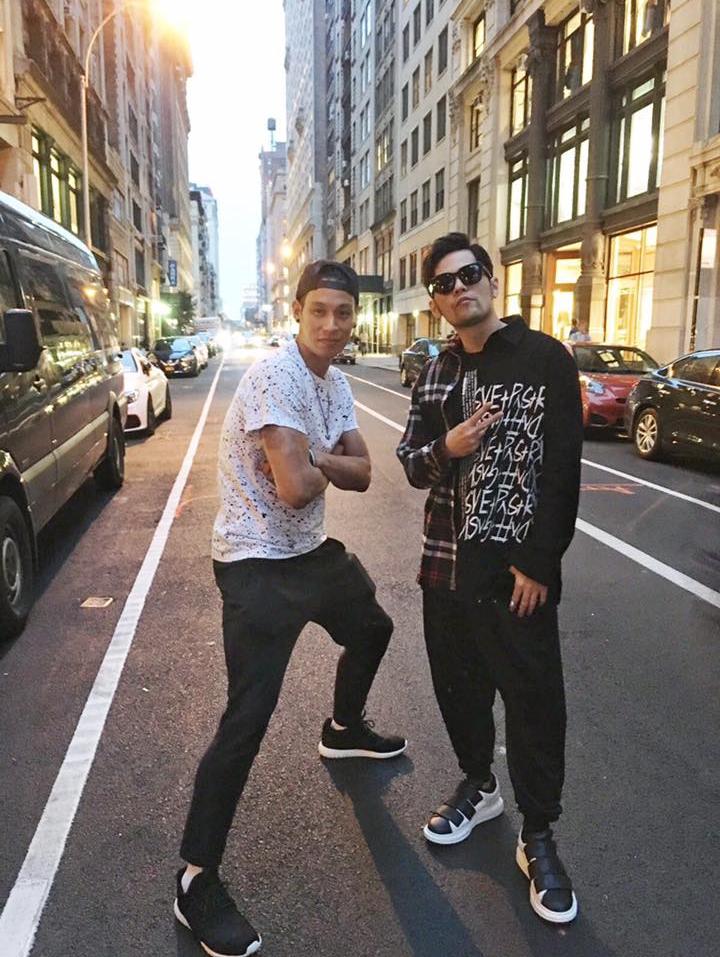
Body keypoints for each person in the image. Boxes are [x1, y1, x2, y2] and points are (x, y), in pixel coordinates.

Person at [175, 260, 407, 957]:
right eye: (319, 312)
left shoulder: (335, 383)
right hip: (255, 564)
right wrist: (324, 461)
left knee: (373, 627)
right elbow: (295, 487)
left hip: (309, 554)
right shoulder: (277, 377)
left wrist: (320, 458)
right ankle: (194, 880)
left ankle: (343, 728)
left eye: (344, 312)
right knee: (247, 720)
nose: (332, 325)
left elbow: (362, 473)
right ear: (297, 312)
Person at [396, 233, 583, 925]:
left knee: (533, 699)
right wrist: (446, 447)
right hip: (444, 564)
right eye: (444, 284)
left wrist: (539, 561)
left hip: (513, 572)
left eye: (468, 274)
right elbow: (411, 461)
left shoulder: (543, 359)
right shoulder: (435, 372)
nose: (459, 289)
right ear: (436, 302)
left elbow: (561, 467)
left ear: (492, 279)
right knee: (459, 688)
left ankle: (539, 834)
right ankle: (479, 784)